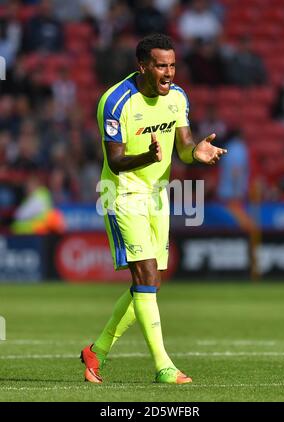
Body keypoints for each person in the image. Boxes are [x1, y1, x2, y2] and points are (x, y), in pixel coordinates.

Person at [80, 33, 227, 384]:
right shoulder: (115, 102)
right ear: (142, 65)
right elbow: (115, 162)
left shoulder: (177, 98)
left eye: (173, 65)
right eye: (161, 65)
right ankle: (164, 367)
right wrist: (148, 155)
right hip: (122, 194)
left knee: (150, 283)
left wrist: (196, 154)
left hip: (158, 196)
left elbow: (185, 145)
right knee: (145, 277)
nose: (169, 73)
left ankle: (96, 352)